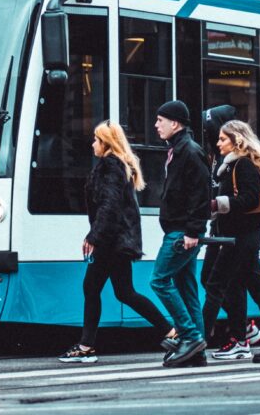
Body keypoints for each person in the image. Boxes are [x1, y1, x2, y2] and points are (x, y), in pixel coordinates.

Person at [59, 121, 174, 363]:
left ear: (105, 143)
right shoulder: (118, 165)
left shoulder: (110, 165)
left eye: (95, 140)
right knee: (124, 292)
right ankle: (170, 332)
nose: (92, 144)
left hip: (112, 242)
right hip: (118, 240)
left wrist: (94, 237)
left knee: (93, 288)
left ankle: (86, 346)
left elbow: (109, 206)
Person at [207, 120, 260, 364]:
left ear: (237, 141)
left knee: (215, 285)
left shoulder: (243, 165)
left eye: (223, 139)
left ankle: (196, 341)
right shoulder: (236, 165)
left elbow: (249, 200)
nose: (218, 143)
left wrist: (217, 205)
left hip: (242, 238)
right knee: (258, 290)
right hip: (244, 237)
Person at [150, 100, 211, 369]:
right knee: (187, 289)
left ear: (175, 123)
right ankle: (196, 350)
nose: (156, 125)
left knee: (159, 281)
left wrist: (193, 230)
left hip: (181, 232)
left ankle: (189, 335)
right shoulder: (178, 149)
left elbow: (201, 193)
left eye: (160, 120)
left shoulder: (189, 151)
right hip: (179, 229)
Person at [199, 105, 260, 348]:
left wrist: (219, 204)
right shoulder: (217, 157)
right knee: (212, 279)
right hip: (220, 229)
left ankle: (238, 334)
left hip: (236, 231)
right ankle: (245, 329)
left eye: (218, 133)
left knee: (226, 283)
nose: (214, 137)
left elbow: (254, 196)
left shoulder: (240, 162)